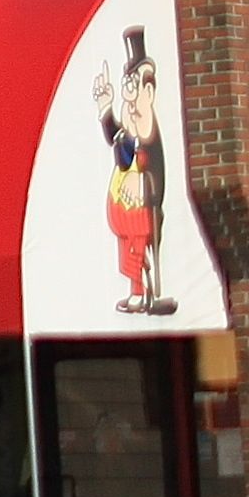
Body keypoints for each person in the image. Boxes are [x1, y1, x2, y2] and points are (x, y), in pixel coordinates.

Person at [92, 27, 175, 315]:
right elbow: (119, 140)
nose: (129, 93)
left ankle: (142, 292)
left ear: (148, 91)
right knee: (128, 243)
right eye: (126, 82)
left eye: (134, 84)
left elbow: (155, 169)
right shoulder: (132, 123)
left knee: (137, 243)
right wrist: (106, 109)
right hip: (124, 202)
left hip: (141, 205)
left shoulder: (149, 131)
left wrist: (142, 181)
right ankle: (137, 289)